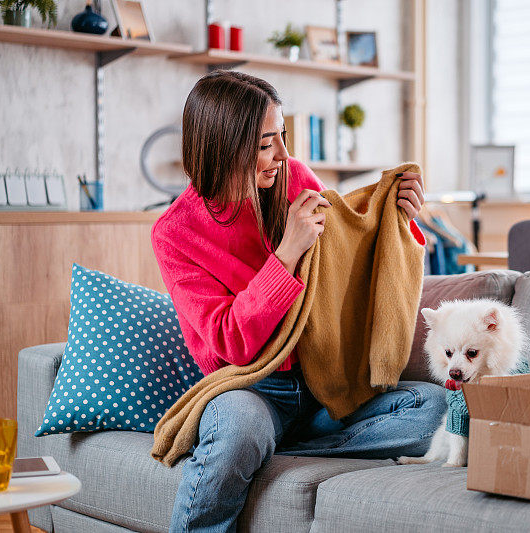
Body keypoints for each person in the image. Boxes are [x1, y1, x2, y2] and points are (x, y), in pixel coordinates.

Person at [150, 70, 446, 533]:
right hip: (250, 390)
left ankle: (276, 451)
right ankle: (254, 446)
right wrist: (286, 253)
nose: (284, 156)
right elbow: (231, 342)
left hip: (324, 386)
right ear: (227, 145)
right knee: (238, 430)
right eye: (268, 143)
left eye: (282, 136)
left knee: (434, 409)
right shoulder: (176, 233)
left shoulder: (294, 180)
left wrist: (395, 221)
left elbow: (347, 257)